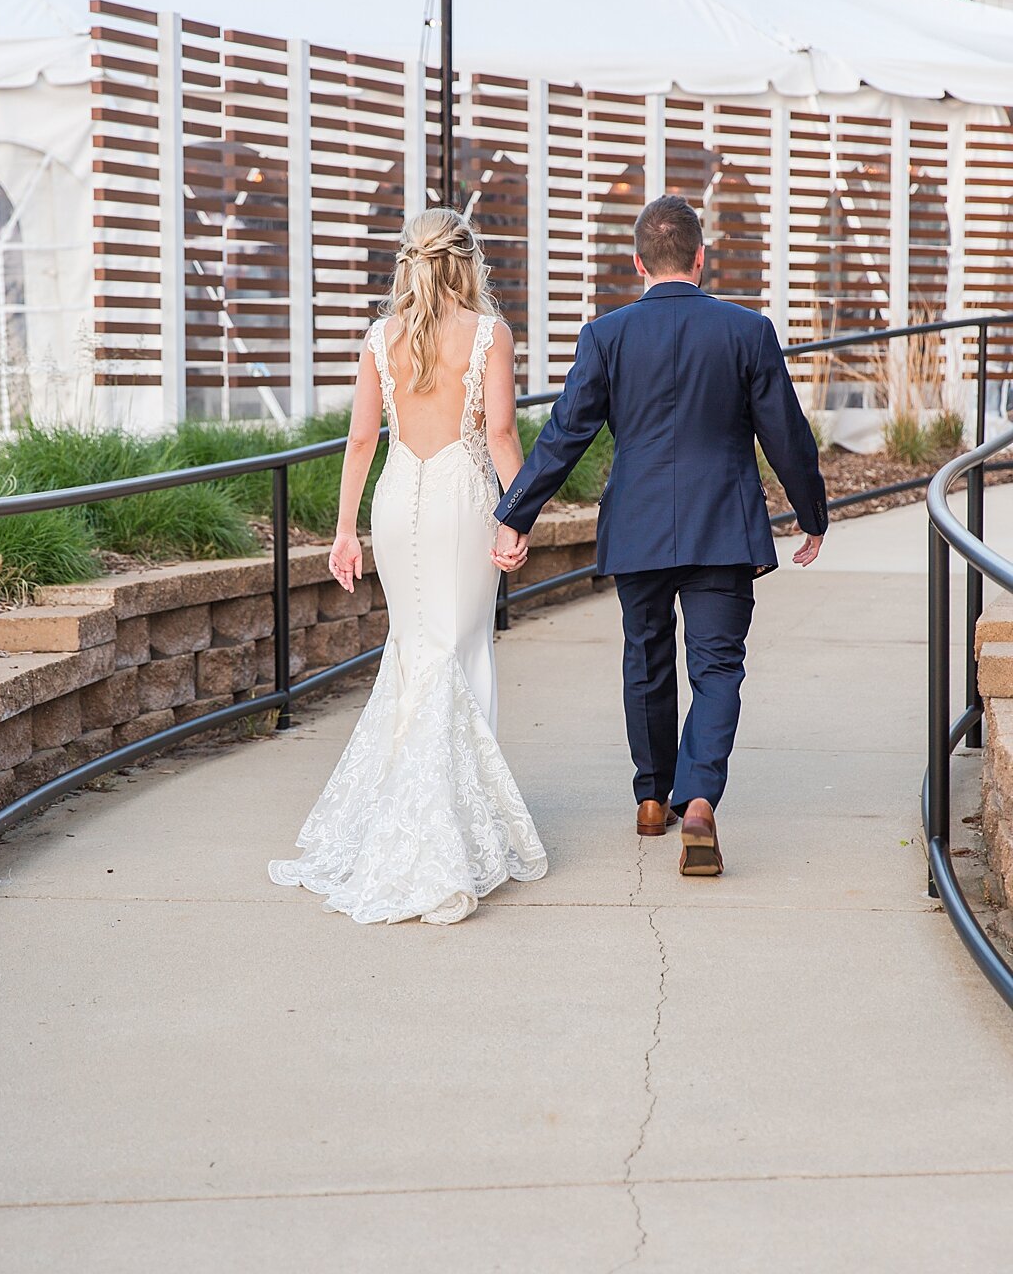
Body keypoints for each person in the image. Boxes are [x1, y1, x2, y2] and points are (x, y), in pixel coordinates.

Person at [493, 192, 828, 877]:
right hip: (723, 526)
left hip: (639, 526)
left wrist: (514, 513)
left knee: (645, 657)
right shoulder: (747, 331)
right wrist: (811, 512)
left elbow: (565, 436)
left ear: (637, 260)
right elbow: (786, 434)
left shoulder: (605, 336)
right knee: (717, 668)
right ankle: (698, 798)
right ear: (701, 258)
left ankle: (652, 798)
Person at [269, 207, 548, 925]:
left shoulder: (379, 336)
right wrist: (519, 512)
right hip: (461, 495)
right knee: (462, 652)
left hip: (397, 500)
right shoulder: (489, 333)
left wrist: (344, 531)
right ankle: (451, 830)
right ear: (467, 262)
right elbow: (500, 431)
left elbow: (362, 439)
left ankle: (411, 815)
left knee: (415, 650)